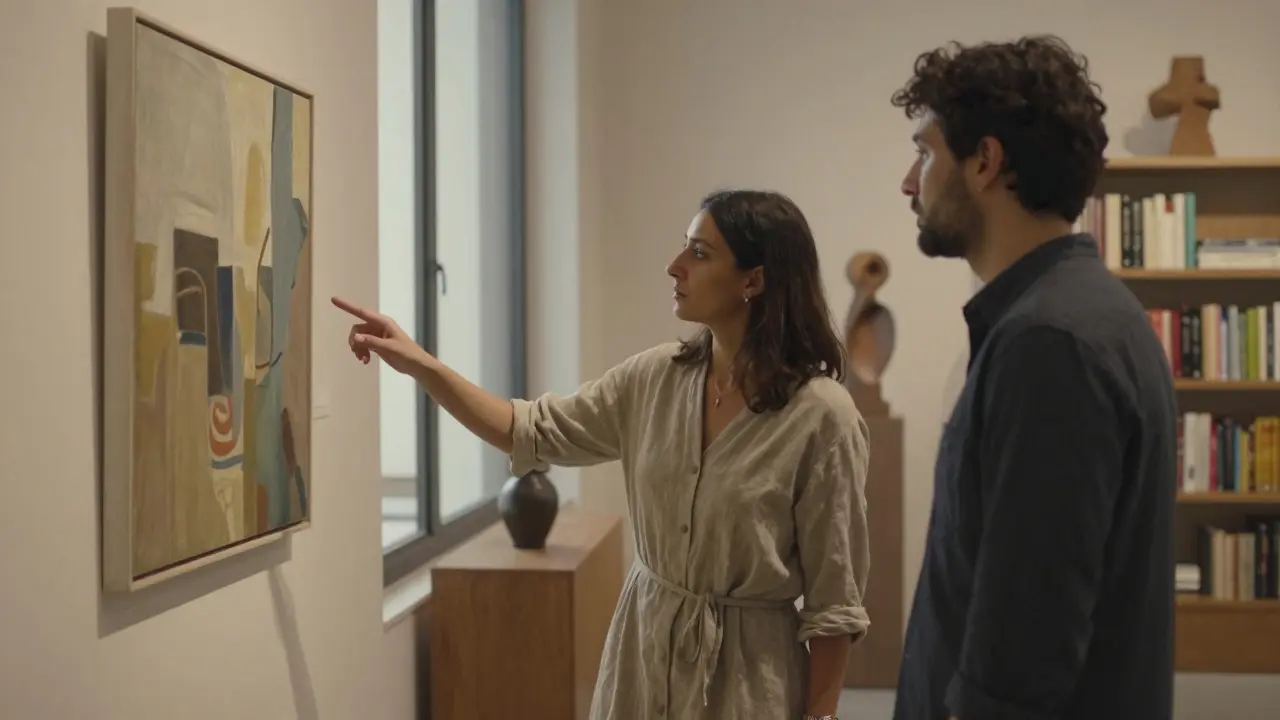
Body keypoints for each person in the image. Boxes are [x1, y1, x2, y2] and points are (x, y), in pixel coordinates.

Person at [334, 189, 871, 720]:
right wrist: (420, 364)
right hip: (641, 666)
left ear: (753, 280)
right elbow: (527, 430)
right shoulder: (655, 379)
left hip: (747, 688)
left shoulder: (823, 417)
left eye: (699, 253)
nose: (675, 266)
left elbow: (834, 604)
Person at [889, 35, 1178, 720]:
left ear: (984, 161)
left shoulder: (1049, 344)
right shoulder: (1085, 314)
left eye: (925, 153)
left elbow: (1020, 657)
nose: (909, 181)